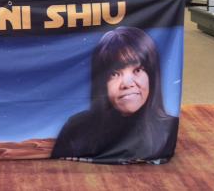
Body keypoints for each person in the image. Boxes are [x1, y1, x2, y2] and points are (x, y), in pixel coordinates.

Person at [51, 27, 178, 163]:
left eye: (137, 70)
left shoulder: (169, 128)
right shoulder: (75, 129)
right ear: (101, 82)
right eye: (114, 74)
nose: (127, 84)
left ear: (152, 75)